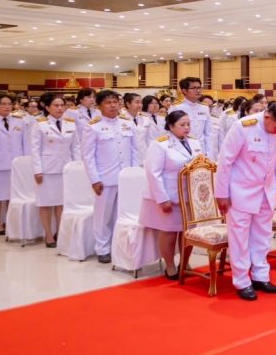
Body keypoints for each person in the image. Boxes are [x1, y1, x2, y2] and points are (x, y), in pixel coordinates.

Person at [215, 102, 276, 301]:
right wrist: (222, 193)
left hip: (266, 191)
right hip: (240, 191)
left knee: (262, 235)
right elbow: (225, 161)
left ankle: (260, 276)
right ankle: (242, 281)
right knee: (239, 239)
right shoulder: (243, 127)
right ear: (267, 117)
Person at [140, 110, 203, 279]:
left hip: (190, 196)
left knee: (188, 232)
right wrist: (162, 199)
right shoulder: (160, 144)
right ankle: (169, 266)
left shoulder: (194, 142)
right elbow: (153, 173)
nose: (187, 128)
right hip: (170, 195)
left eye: (188, 124)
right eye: (182, 125)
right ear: (171, 126)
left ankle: (185, 262)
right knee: (169, 232)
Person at [82, 90, 139, 262]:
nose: (113, 105)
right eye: (108, 102)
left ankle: (118, 247)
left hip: (126, 179)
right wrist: (95, 179)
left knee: (122, 214)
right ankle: (102, 249)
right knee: (103, 216)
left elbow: (135, 151)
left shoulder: (127, 123)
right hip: (105, 179)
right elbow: (88, 156)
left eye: (115, 102)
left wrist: (134, 175)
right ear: (99, 106)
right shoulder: (93, 126)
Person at [30, 93, 79, 247]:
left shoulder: (70, 123)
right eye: (56, 105)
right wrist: (37, 170)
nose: (59, 108)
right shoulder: (40, 124)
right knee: (45, 203)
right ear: (47, 107)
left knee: (61, 204)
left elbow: (76, 147)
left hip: (66, 169)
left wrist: (77, 167)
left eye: (62, 105)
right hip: (47, 169)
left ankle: (60, 233)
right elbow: (35, 149)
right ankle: (48, 235)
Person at [0, 93, 30, 235]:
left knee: (12, 196)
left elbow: (25, 144)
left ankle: (9, 222)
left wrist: (26, 164)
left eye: (9, 104)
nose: (7, 106)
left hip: (16, 165)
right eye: (3, 104)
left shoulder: (20, 121)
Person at [171, 77, 215, 158]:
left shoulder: (204, 108)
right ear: (184, 91)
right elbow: (171, 131)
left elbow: (209, 133)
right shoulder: (176, 107)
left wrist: (209, 154)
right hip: (183, 151)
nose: (198, 90)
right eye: (194, 88)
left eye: (199, 88)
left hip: (201, 150)